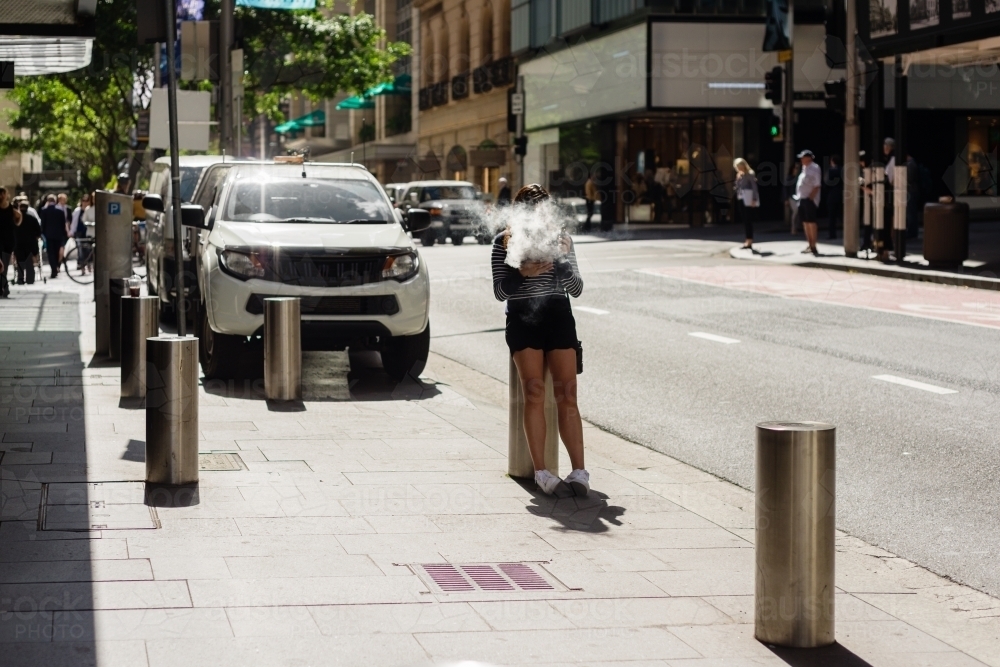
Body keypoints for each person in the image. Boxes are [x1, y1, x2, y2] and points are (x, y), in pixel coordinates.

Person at [492, 184, 589, 497]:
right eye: (534, 209)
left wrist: (560, 260)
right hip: (523, 319)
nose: (540, 215)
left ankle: (579, 472)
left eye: (544, 208)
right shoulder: (504, 241)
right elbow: (500, 291)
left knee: (567, 394)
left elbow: (576, 288)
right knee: (534, 393)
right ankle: (541, 472)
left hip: (559, 315)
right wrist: (523, 272)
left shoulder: (561, 239)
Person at [794, 149, 822, 255]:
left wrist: (811, 197)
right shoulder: (804, 168)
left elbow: (817, 184)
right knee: (805, 223)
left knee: (811, 222)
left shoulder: (814, 168)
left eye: (803, 157)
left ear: (809, 158)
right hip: (802, 198)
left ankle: (813, 245)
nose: (801, 159)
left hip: (809, 199)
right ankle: (809, 244)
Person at [40, 194, 69, 278]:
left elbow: (43, 224)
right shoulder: (60, 211)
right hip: (59, 235)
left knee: (51, 253)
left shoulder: (44, 210)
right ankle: (57, 266)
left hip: (48, 235)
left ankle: (53, 269)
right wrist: (64, 234)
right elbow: (63, 224)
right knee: (57, 252)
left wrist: (42, 233)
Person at [733, 158, 759, 250]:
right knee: (744, 220)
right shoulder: (739, 175)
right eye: (738, 166)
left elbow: (754, 187)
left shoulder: (750, 174)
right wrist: (738, 179)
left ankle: (749, 240)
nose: (739, 167)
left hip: (748, 199)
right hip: (741, 198)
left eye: (741, 165)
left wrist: (754, 199)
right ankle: (747, 240)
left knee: (748, 220)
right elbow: (737, 187)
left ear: (744, 165)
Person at [13, 199, 41, 285]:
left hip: (18, 243)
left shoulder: (16, 219)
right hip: (30, 243)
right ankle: (30, 279)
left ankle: (20, 279)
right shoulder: (32, 218)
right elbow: (39, 231)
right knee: (29, 262)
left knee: (20, 261)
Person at [0, 187, 21, 298]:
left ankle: (4, 288)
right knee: (1, 265)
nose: (2, 196)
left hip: (8, 240)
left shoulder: (11, 208)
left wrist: (18, 219)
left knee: (4, 266)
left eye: (3, 194)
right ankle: (4, 288)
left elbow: (18, 219)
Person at [827, 155, 843, 240]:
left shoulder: (831, 171)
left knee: (832, 217)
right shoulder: (842, 170)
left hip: (833, 195)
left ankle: (832, 234)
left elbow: (827, 183)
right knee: (842, 215)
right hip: (842, 194)